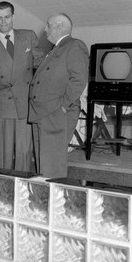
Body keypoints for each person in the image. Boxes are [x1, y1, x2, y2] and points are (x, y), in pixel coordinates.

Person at [0, 1, 44, 172]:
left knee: (24, 152)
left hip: (25, 102)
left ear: (13, 16)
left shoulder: (28, 36)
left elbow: (42, 64)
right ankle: (3, 189)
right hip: (1, 105)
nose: (3, 22)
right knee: (3, 155)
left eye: (7, 17)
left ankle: (22, 190)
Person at [28, 12, 89, 179]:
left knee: (52, 164)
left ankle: (53, 199)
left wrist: (63, 106)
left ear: (60, 27)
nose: (45, 28)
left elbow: (79, 79)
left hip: (56, 112)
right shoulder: (56, 49)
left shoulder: (74, 45)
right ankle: (45, 199)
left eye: (48, 25)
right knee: (44, 162)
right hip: (43, 112)